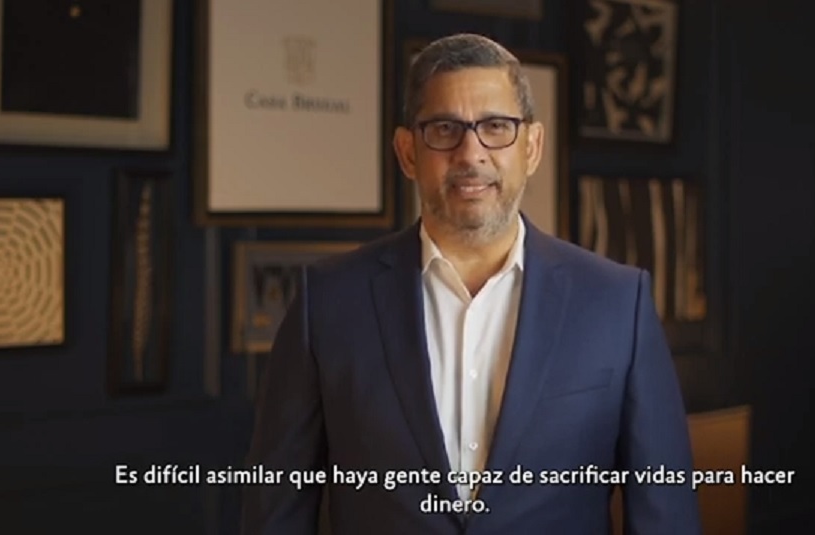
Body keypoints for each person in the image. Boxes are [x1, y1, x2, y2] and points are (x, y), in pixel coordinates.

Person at [241, 33, 700, 535]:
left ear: (532, 147)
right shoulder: (327, 302)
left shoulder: (617, 303)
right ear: (407, 152)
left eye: (496, 127)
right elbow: (275, 512)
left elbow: (666, 514)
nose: (470, 152)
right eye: (445, 129)